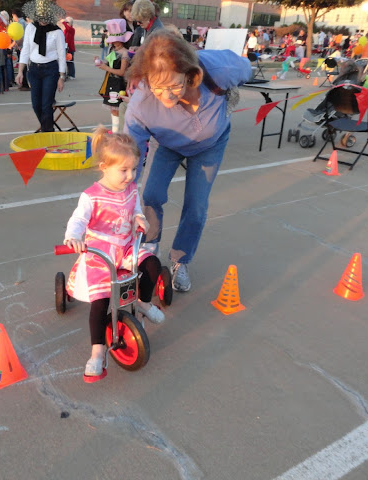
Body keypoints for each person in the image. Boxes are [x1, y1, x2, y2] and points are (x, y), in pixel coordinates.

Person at [123, 31, 252, 291]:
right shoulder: (140, 105)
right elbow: (130, 155)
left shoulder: (219, 69)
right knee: (150, 195)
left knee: (196, 205)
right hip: (166, 145)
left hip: (210, 145)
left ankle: (180, 261)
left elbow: (246, 67)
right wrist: (121, 194)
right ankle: (149, 249)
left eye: (174, 85)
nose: (167, 95)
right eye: (158, 87)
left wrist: (234, 89)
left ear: (189, 73)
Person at [63, 126, 165, 378]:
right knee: (100, 303)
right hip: (100, 254)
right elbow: (78, 219)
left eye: (134, 169)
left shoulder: (130, 188)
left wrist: (139, 217)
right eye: (124, 170)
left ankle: (143, 302)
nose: (130, 176)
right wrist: (73, 237)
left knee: (152, 264)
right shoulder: (91, 196)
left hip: (126, 246)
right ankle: (97, 352)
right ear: (104, 167)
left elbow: (136, 207)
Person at [16, 0, 66, 133]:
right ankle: (47, 128)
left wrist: (61, 77)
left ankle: (47, 132)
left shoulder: (57, 32)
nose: (43, 20)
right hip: (34, 70)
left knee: (46, 105)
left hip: (51, 70)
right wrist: (20, 71)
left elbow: (62, 55)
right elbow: (25, 50)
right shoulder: (30, 28)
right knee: (36, 105)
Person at [96, 19, 131, 133]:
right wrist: (99, 62)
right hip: (111, 83)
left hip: (120, 84)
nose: (115, 42)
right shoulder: (112, 50)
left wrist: (106, 68)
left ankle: (119, 133)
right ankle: (115, 132)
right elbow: (108, 63)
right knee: (113, 110)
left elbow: (122, 72)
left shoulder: (125, 53)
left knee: (119, 110)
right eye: (113, 40)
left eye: (117, 40)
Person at [12, 8, 30, 91]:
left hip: (22, 48)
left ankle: (24, 84)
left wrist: (16, 44)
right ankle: (23, 83)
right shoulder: (23, 22)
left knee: (23, 66)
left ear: (14, 15)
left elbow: (21, 36)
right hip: (22, 47)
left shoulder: (20, 23)